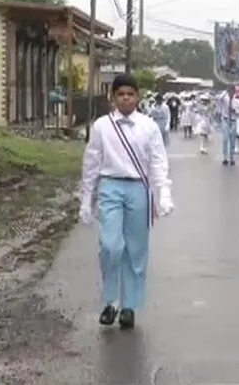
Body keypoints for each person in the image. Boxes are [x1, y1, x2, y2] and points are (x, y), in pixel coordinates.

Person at [78, 73, 174, 329]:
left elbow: (157, 162)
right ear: (113, 98)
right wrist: (86, 199)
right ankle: (111, 301)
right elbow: (91, 163)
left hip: (138, 189)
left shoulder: (149, 126)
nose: (125, 98)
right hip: (110, 186)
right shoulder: (101, 126)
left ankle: (129, 305)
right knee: (110, 246)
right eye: (120, 94)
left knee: (135, 249)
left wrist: (164, 193)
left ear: (138, 97)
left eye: (130, 94)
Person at [219, 87, 239, 166]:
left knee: (232, 140)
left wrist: (234, 110)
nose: (231, 93)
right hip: (225, 120)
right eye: (230, 91)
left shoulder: (237, 101)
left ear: (234, 92)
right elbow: (219, 98)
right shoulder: (224, 99)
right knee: (225, 139)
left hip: (233, 121)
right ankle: (225, 158)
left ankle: (231, 158)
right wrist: (225, 90)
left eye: (232, 91)